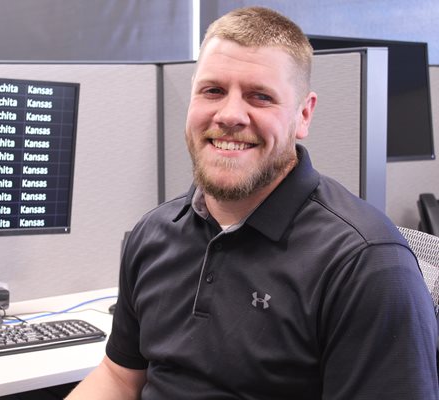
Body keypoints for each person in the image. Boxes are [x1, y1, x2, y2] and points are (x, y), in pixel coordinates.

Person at [66, 6, 439, 400]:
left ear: (304, 115)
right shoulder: (154, 232)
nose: (230, 115)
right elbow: (120, 376)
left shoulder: (367, 265)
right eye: (213, 91)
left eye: (260, 97)